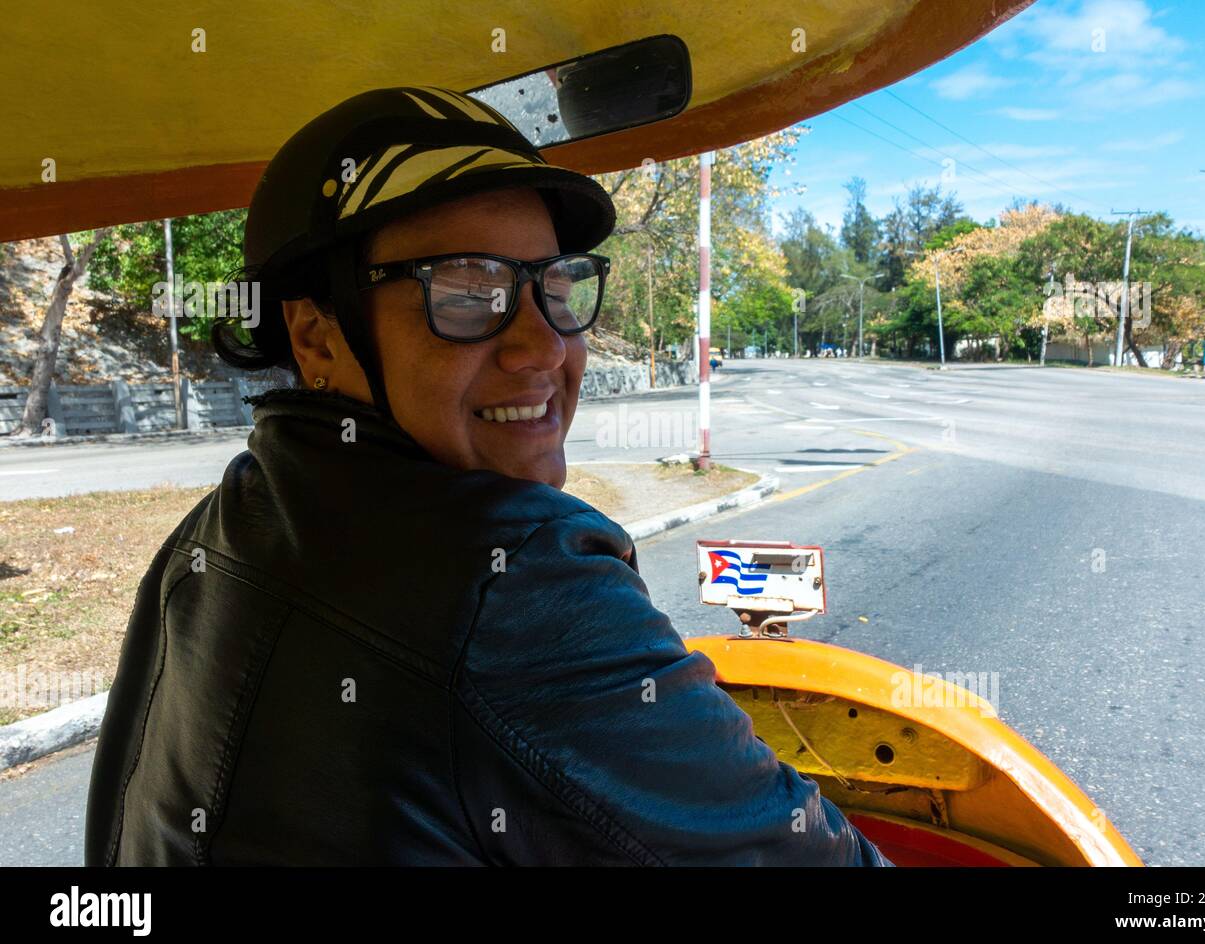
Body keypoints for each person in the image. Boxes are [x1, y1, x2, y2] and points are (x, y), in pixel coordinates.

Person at [84, 86, 890, 866]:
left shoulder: (217, 527)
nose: (542, 348)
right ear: (318, 339)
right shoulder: (517, 586)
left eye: (557, 287)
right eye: (468, 294)